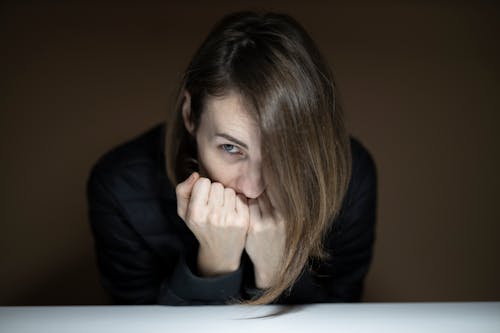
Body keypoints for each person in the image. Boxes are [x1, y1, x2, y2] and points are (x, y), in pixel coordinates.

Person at [87, 11, 377, 305]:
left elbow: (341, 315)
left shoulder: (351, 177)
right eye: (230, 148)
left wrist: (278, 270)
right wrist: (216, 262)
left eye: (282, 153)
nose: (252, 188)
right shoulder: (121, 188)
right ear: (190, 115)